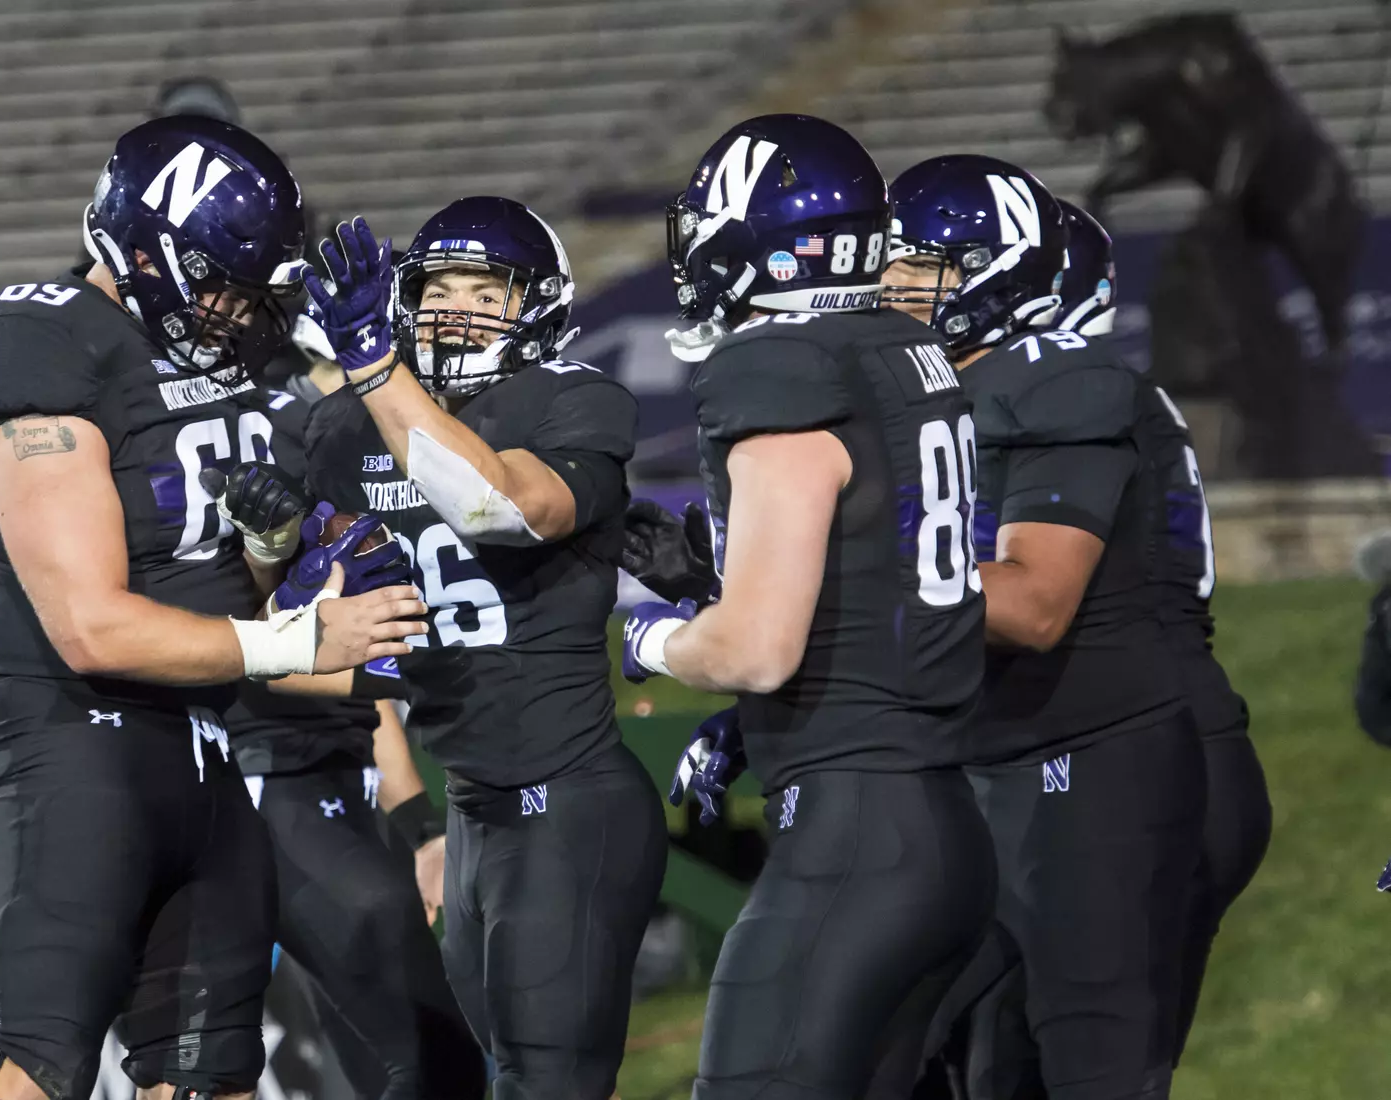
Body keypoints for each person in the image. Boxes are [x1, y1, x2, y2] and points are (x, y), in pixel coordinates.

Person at [0, 116, 426, 1100]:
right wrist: (302, 633)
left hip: (205, 745)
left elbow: (208, 594)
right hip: (73, 740)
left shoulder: (224, 361)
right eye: (219, 284)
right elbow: (91, 624)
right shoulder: (39, 336)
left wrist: (268, 556)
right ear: (149, 252)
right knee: (35, 1064)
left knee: (210, 1075)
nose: (235, 312)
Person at [621, 114, 996, 1100]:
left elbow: (754, 649)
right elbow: (862, 570)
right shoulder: (905, 352)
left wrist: (650, 637)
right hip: (946, 820)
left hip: (854, 838)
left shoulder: (779, 368)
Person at [278, 196, 669, 1098]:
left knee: (546, 1083)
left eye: (483, 287)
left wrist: (376, 371)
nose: (455, 306)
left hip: (567, 799)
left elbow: (502, 508)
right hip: (472, 809)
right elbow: (316, 639)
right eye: (437, 287)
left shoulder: (572, 398)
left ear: (534, 300)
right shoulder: (347, 428)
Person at [882, 154, 1209, 1100]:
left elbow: (1029, 604)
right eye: (890, 268)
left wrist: (847, 578)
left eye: (924, 269)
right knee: (952, 1060)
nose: (898, 290)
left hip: (1091, 753)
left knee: (1088, 1062)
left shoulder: (1056, 380)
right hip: (986, 760)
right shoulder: (916, 394)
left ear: (1000, 271)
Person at [224, 334, 485, 1100]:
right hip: (260, 769)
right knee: (420, 1050)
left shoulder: (327, 447)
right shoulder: (267, 433)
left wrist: (418, 828)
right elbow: (256, 644)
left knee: (409, 1054)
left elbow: (366, 684)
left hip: (323, 771)